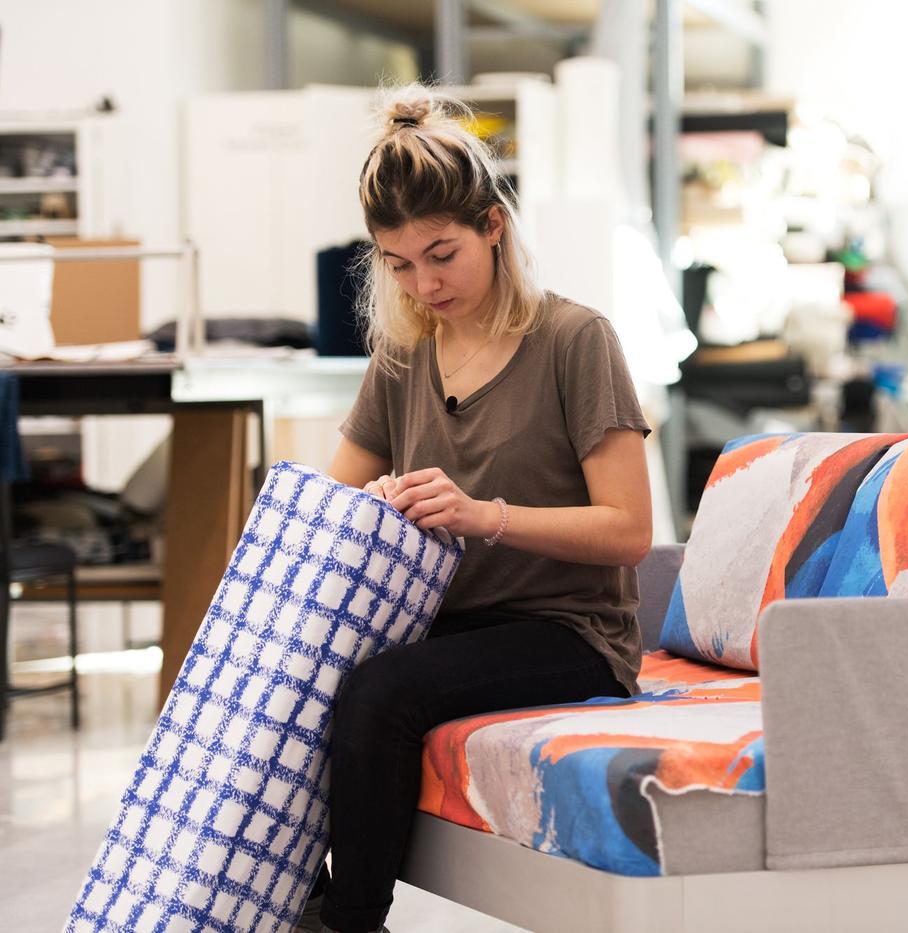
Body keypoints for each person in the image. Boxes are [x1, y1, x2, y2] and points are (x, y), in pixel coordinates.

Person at [297, 85, 653, 933]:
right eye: (399, 264)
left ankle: (352, 922)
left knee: (380, 692)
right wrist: (375, 505)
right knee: (279, 682)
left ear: (494, 225)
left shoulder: (575, 340)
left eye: (442, 253)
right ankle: (293, 905)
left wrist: (484, 513)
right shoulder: (403, 353)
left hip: (570, 631)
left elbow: (630, 531)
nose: (424, 283)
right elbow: (329, 502)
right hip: (448, 622)